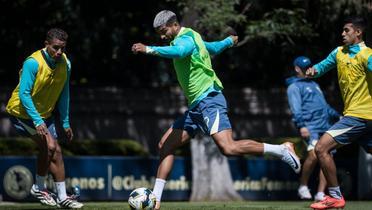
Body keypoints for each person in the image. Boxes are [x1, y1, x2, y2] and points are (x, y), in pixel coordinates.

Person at [132, 10, 302, 210]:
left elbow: (179, 52)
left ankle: (281, 150)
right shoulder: (194, 36)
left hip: (209, 100)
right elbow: (211, 47)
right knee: (165, 145)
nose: (161, 36)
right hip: (196, 107)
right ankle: (156, 201)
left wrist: (149, 49)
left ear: (174, 25)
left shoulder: (185, 40)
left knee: (228, 148)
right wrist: (228, 41)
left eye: (163, 31)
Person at [6, 28, 83, 209]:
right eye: (55, 48)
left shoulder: (66, 64)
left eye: (63, 48)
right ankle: (38, 188)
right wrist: (37, 121)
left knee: (56, 151)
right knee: (48, 146)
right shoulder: (33, 63)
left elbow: (64, 94)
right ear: (46, 45)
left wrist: (65, 122)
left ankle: (62, 197)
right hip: (22, 114)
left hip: (44, 115)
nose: (59, 52)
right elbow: (24, 94)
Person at [306, 16, 372, 209]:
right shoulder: (339, 53)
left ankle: (335, 196)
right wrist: (313, 71)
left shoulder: (367, 54)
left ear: (358, 33)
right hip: (361, 118)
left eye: (346, 31)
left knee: (321, 148)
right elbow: (322, 66)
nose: (342, 34)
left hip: (360, 115)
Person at [286, 56, 341, 201]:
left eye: (309, 67)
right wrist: (302, 126)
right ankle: (303, 185)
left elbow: (325, 107)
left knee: (327, 157)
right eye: (303, 68)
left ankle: (320, 193)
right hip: (311, 127)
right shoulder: (294, 87)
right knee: (314, 155)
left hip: (326, 126)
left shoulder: (315, 84)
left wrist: (338, 117)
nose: (307, 70)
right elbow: (295, 109)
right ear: (297, 69)